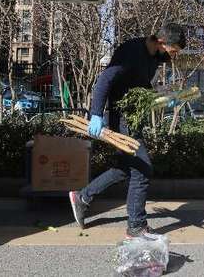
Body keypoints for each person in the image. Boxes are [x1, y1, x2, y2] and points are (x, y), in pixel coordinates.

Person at [68, 23, 187, 238]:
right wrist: (96, 113)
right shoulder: (130, 51)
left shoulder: (155, 57)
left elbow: (141, 86)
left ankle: (82, 197)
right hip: (121, 116)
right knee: (142, 169)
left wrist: (163, 97)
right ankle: (136, 227)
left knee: (124, 168)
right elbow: (105, 79)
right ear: (162, 42)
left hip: (133, 116)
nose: (174, 56)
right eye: (174, 50)